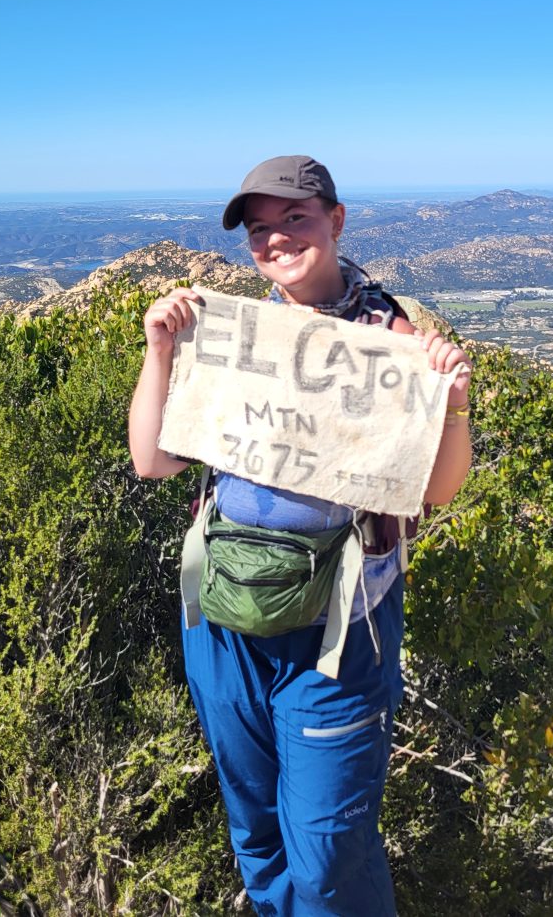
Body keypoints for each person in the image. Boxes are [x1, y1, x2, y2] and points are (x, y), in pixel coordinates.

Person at [129, 155, 472, 917]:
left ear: (336, 219)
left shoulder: (389, 336)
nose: (277, 240)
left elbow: (437, 491)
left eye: (295, 220)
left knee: (326, 859)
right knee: (256, 837)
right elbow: (152, 461)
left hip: (337, 636)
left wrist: (452, 404)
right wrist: (161, 351)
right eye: (260, 231)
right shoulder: (236, 334)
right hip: (223, 622)